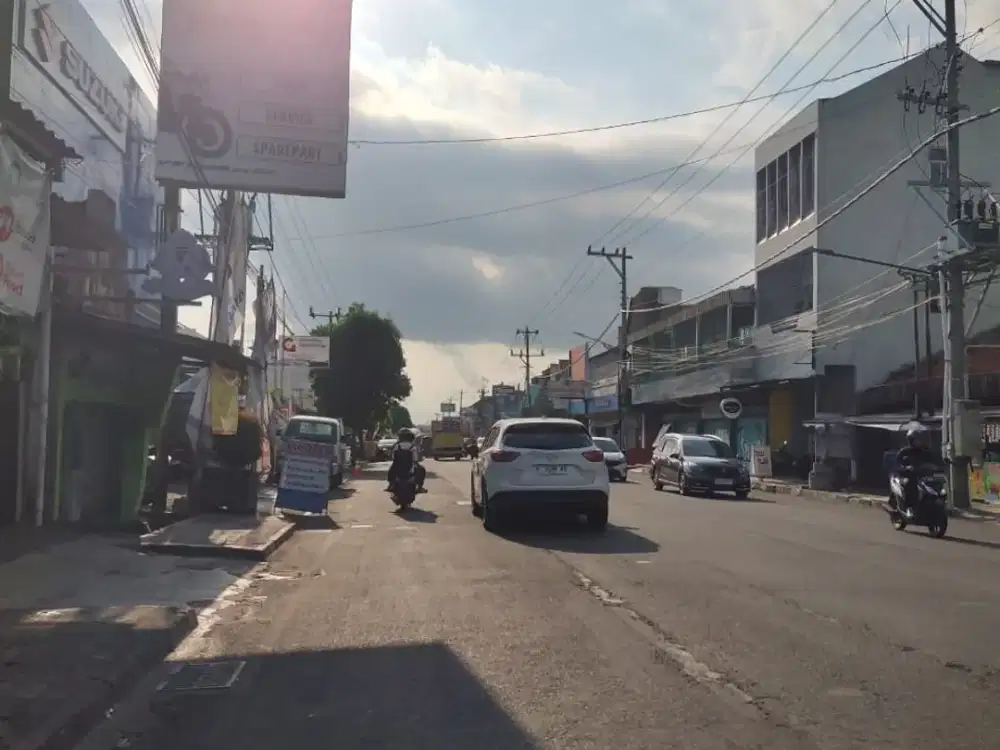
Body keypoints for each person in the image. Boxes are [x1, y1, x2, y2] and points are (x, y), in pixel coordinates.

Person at [895, 426, 936, 513]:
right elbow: (897, 465)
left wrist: (935, 467)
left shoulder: (926, 453)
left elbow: (934, 463)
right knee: (910, 485)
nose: (919, 442)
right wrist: (906, 468)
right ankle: (909, 507)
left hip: (924, 476)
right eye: (917, 440)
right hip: (908, 476)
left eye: (920, 440)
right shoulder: (904, 452)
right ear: (911, 440)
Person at [386, 427, 427, 492]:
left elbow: (393, 457)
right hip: (410, 469)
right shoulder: (413, 447)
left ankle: (390, 485)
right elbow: (415, 459)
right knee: (422, 470)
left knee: (390, 471)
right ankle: (420, 487)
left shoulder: (397, 446)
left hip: (397, 468)